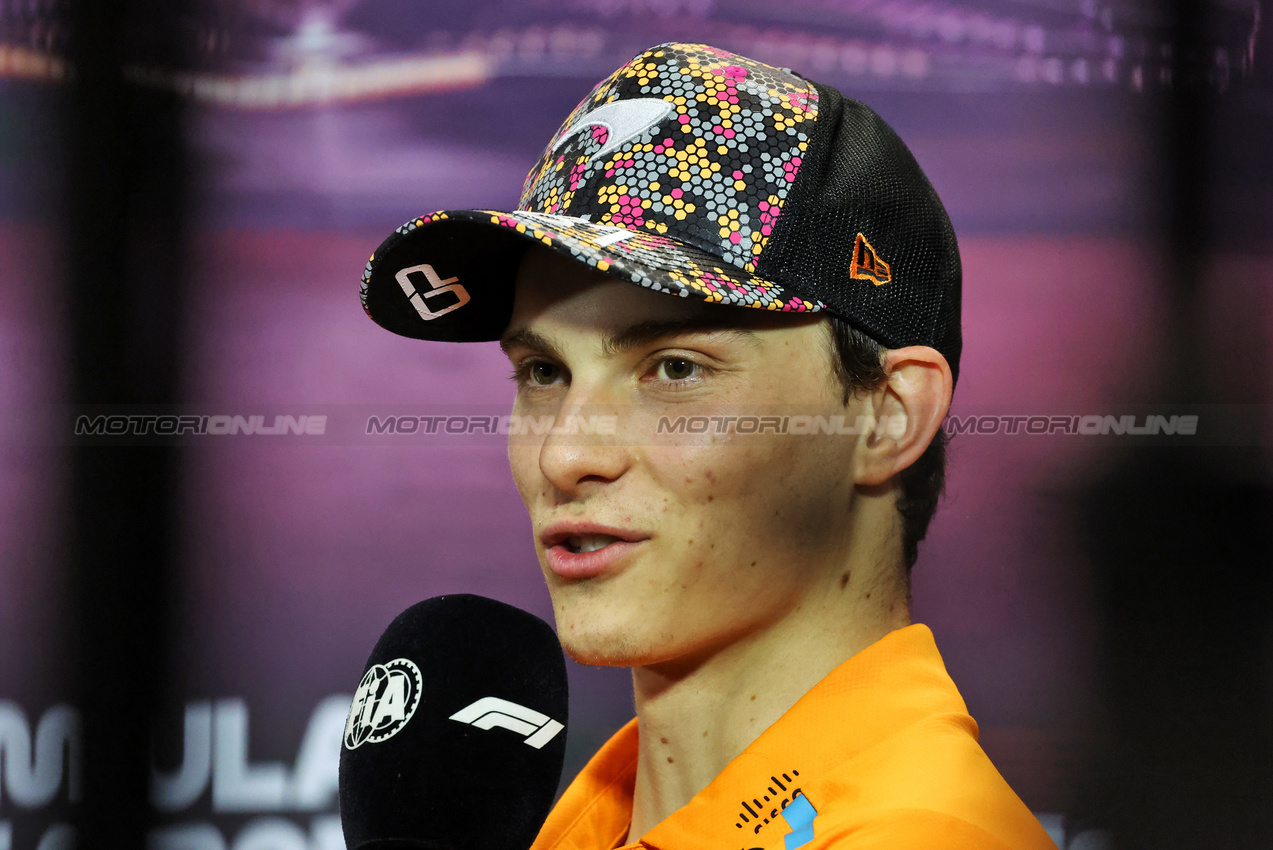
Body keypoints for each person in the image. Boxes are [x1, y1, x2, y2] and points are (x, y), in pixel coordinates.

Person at [359, 42, 1053, 850]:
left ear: (887, 414)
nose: (563, 458)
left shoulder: (923, 836)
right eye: (543, 371)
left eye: (675, 368)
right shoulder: (577, 830)